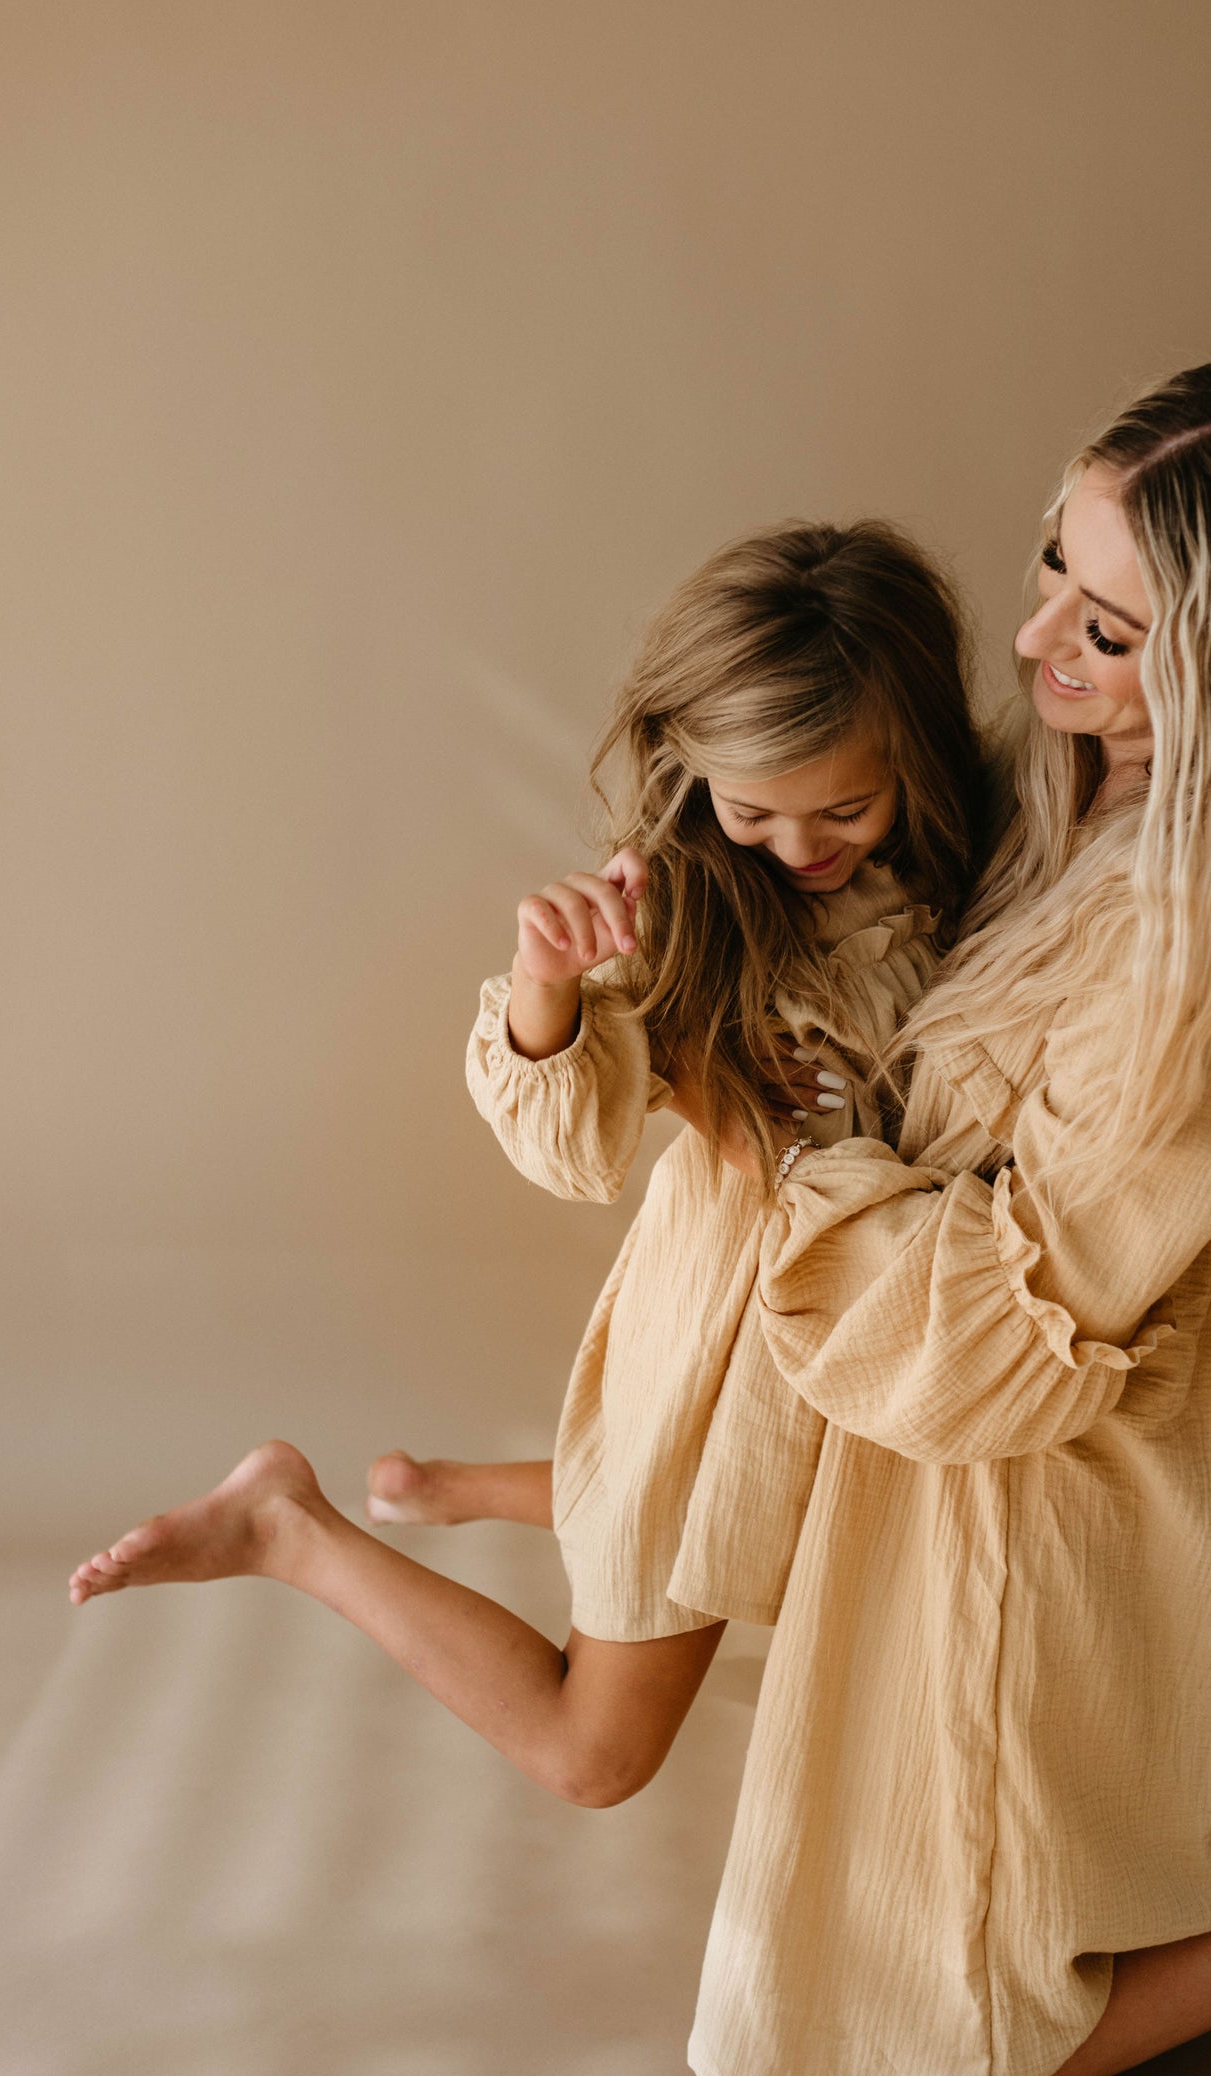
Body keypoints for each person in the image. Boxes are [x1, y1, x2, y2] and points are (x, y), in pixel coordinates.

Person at [673, 351, 1211, 2076]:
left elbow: (997, 1339)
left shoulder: (1202, 951)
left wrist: (803, 1158)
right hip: (965, 1492)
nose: (1037, 641)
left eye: (1115, 629)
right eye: (1049, 567)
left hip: (1019, 1507)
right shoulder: (1071, 812)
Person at [66, 518, 989, 1809]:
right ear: (695, 774)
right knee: (592, 1754)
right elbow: (572, 1147)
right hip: (732, 1357)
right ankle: (292, 1528)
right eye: (751, 810)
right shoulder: (682, 898)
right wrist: (550, 987)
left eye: (842, 806)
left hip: (915, 1326)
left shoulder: (976, 875)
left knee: (869, 1553)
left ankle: (449, 1486)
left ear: (918, 754)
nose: (794, 845)